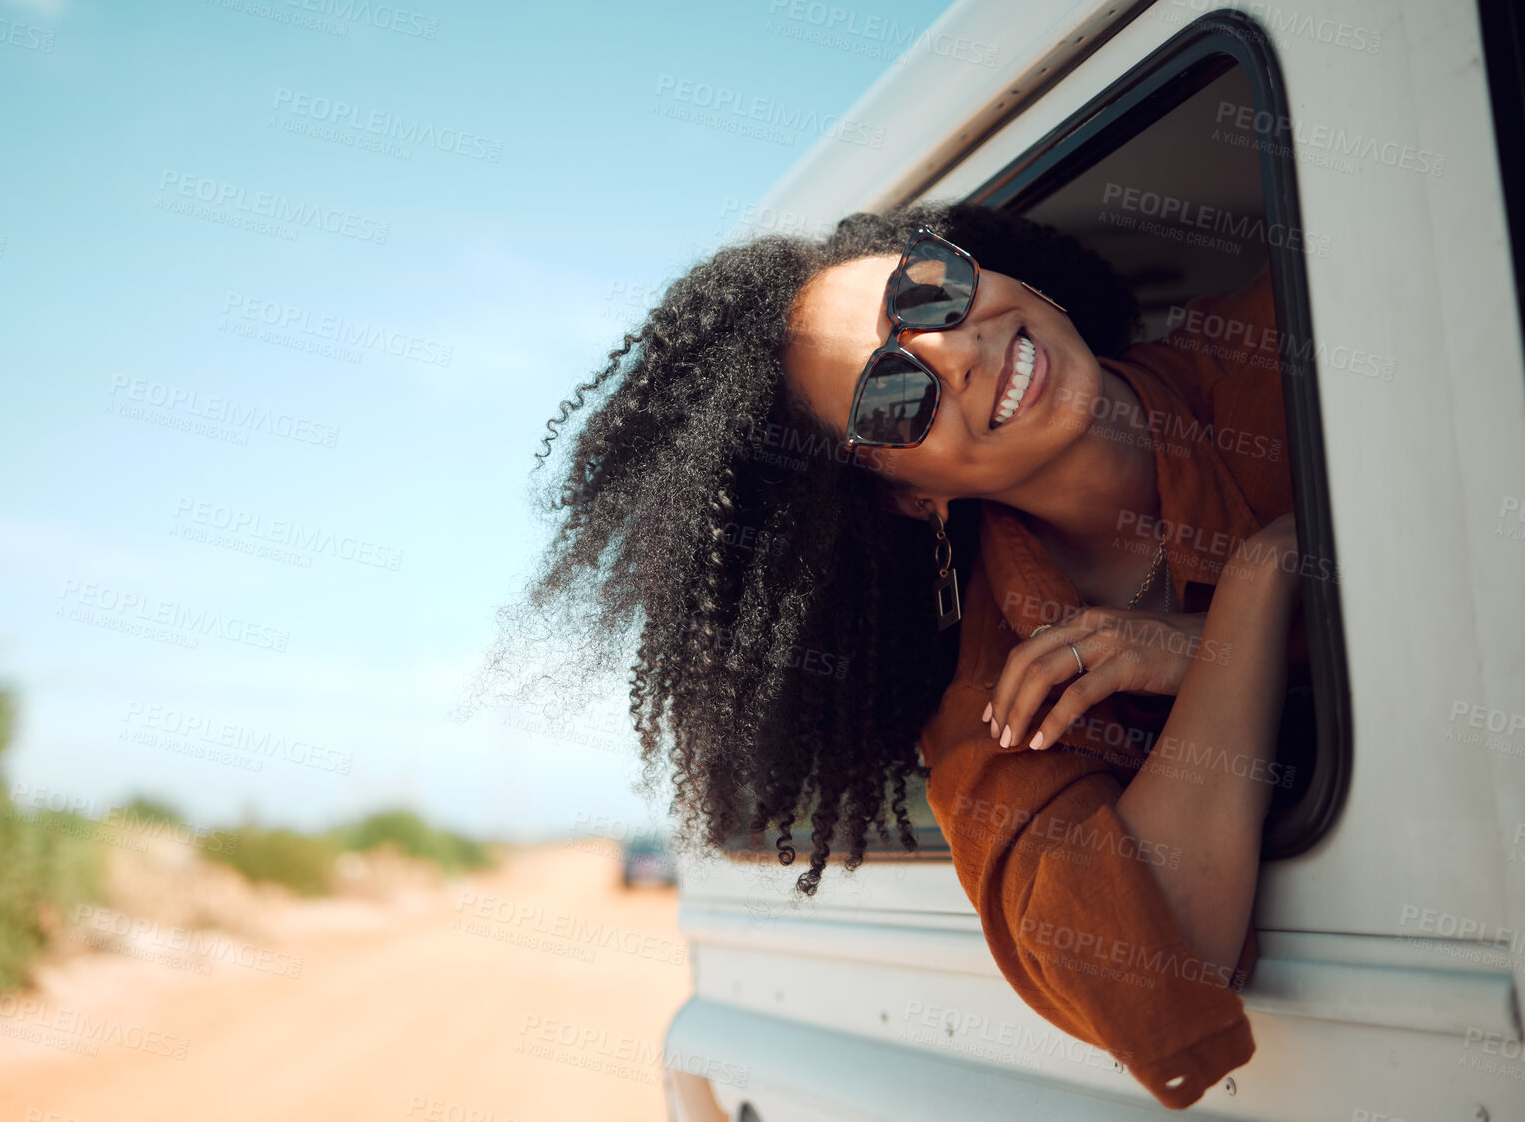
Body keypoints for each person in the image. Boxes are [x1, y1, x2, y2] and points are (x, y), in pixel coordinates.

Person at [520, 200, 1305, 1110]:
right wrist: (1260, 585)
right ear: (905, 498)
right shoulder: (993, 694)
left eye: (927, 292)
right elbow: (1161, 958)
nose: (960, 352)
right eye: (893, 396)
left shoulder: (1287, 342)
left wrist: (1210, 647)